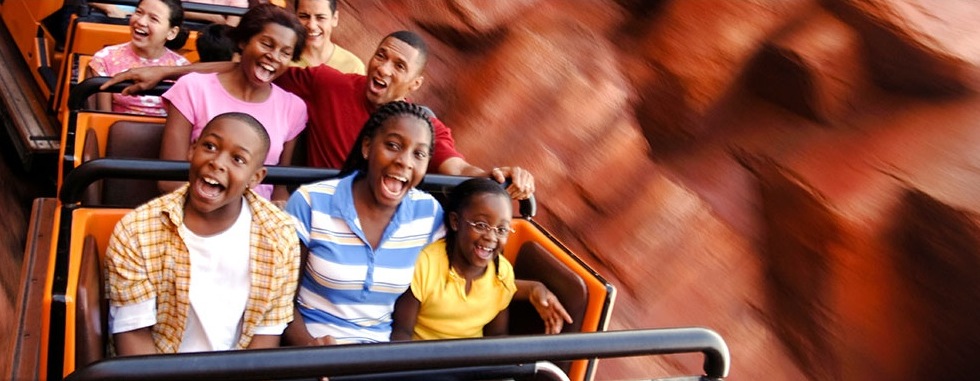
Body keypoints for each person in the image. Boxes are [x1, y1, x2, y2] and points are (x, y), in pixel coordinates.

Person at [101, 30, 535, 200]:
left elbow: (455, 165)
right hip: (312, 209)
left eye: (398, 67)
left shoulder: (420, 126)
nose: (382, 68)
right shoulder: (329, 83)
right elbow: (251, 68)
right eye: (381, 56)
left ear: (415, 84)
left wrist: (495, 175)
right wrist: (167, 69)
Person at [104, 112, 301, 355]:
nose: (217, 162)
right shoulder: (137, 230)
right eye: (210, 146)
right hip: (157, 370)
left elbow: (264, 339)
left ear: (255, 178)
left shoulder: (280, 235)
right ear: (192, 150)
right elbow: (134, 338)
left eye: (238, 159)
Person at [283, 101, 444, 345]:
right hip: (313, 349)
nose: (405, 161)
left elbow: (475, 262)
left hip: (379, 357)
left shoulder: (428, 213)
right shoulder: (310, 203)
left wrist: (496, 181)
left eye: (418, 154)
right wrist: (308, 348)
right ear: (367, 147)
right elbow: (281, 300)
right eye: (393, 145)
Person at [158, 4, 307, 204]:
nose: (274, 57)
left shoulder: (293, 108)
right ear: (244, 41)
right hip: (196, 209)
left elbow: (279, 187)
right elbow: (169, 180)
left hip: (257, 221)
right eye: (267, 44)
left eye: (285, 53)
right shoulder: (193, 88)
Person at [390, 178, 572, 341]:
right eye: (481, 225)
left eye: (501, 230)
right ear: (455, 222)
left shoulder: (502, 274)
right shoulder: (426, 264)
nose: (491, 237)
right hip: (421, 363)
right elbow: (401, 333)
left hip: (471, 366)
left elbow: (497, 337)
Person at [87, 0, 190, 116]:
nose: (141, 21)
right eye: (139, 12)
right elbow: (102, 117)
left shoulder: (182, 68)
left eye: (153, 19)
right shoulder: (105, 59)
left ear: (171, 32)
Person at [290, 0, 364, 74]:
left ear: (335, 19)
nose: (312, 26)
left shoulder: (353, 68)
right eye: (304, 17)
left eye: (320, 18)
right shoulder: (283, 60)